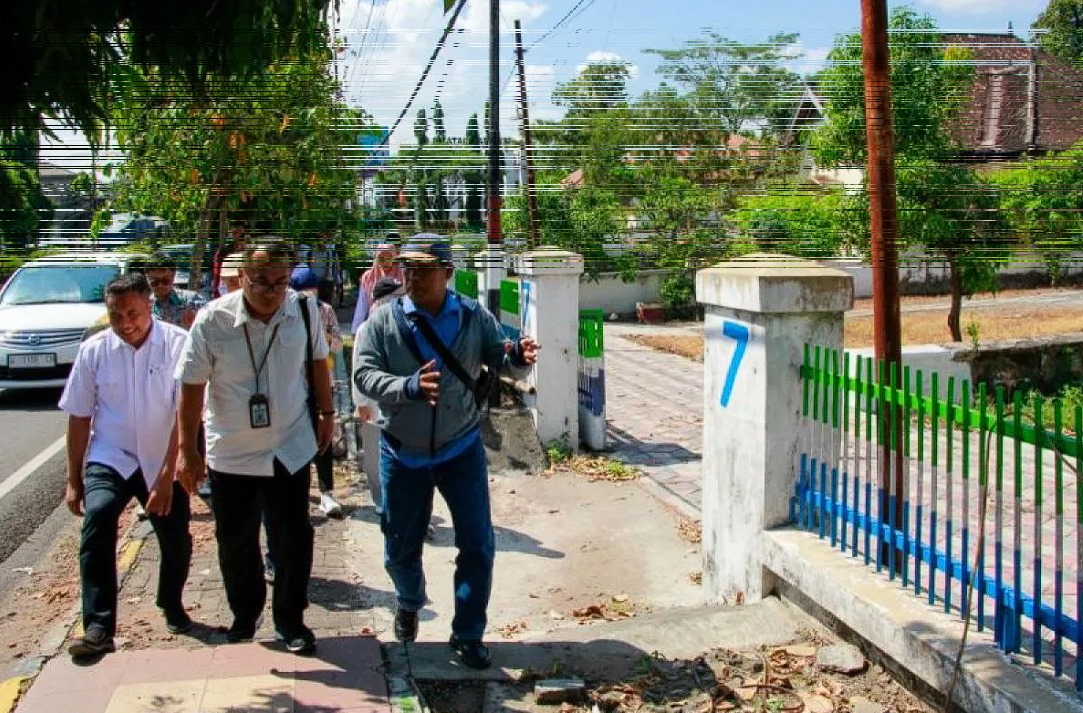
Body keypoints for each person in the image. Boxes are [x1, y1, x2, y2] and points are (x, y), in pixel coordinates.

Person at [353, 235, 540, 670]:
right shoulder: (384, 321)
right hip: (403, 452)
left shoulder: (473, 317)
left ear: (447, 273)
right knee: (400, 547)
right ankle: (409, 599)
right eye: (408, 270)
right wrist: (407, 388)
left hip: (461, 448)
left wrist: (519, 356)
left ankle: (468, 632)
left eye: (423, 270)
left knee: (477, 544)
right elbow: (364, 374)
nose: (413, 278)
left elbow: (502, 358)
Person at [175, 238, 334, 655]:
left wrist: (328, 414)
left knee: (293, 538)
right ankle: (245, 615)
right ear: (242, 276)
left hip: (290, 445)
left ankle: (291, 620)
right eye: (261, 281)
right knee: (236, 541)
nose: (273, 291)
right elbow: (191, 387)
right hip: (232, 451)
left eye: (281, 281)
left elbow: (319, 361)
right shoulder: (212, 320)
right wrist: (187, 452)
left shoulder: (303, 310)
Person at [59, 274, 193, 657]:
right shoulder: (94, 350)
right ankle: (98, 625)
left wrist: (169, 473)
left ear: (149, 305)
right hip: (111, 455)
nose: (124, 323)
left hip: (162, 456)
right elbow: (79, 416)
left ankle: (171, 601)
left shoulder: (176, 344)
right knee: (97, 520)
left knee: (176, 538)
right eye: (115, 315)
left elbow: (184, 413)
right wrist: (74, 479)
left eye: (132, 313)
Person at [289, 265, 344, 517]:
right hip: (294, 385)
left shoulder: (326, 311)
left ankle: (326, 491)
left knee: (323, 438)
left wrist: (323, 338)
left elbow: (339, 344)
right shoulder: (288, 312)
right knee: (296, 437)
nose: (308, 297)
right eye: (303, 292)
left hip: (323, 382)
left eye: (312, 291)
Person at [351, 238, 404, 334]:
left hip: (398, 324)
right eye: (381, 258)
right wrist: (356, 330)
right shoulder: (368, 277)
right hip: (375, 323)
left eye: (389, 258)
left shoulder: (403, 275)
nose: (385, 262)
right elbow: (362, 305)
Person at [145, 253, 206, 329]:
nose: (160, 285)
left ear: (173, 276)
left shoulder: (192, 301)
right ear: (147, 279)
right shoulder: (144, 307)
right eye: (155, 282)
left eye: (165, 280)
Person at [210, 219, 249, 297]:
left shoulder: (253, 253)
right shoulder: (222, 252)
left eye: (239, 230)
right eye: (234, 229)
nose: (235, 232)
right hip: (227, 293)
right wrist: (216, 295)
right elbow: (217, 275)